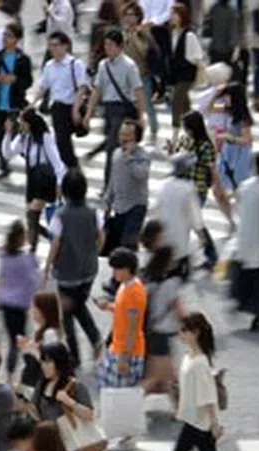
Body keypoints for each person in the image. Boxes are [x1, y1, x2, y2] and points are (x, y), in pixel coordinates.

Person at [136, 312, 245, 451]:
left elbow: (208, 397)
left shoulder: (200, 363)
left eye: (184, 330)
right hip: (194, 420)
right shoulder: (189, 357)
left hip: (198, 424)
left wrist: (215, 424)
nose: (180, 333)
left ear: (195, 333)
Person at [45, 170, 103, 365]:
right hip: (89, 270)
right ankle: (95, 338)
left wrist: (48, 266)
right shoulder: (94, 213)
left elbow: (55, 244)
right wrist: (93, 252)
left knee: (68, 313)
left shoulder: (60, 216)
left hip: (67, 273)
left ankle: (75, 355)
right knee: (78, 305)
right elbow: (101, 237)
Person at [95, 247, 148, 451]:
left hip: (128, 351)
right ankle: (117, 432)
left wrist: (125, 357)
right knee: (110, 388)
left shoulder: (134, 291)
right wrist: (108, 306)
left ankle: (126, 436)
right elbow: (123, 312)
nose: (114, 273)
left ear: (127, 269)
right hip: (118, 347)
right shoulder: (126, 286)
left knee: (121, 394)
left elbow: (134, 327)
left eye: (117, 269)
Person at [82, 29, 146, 190]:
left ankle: (108, 187)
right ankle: (119, 183)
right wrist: (89, 113)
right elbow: (97, 90)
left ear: (119, 46)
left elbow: (138, 91)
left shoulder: (129, 66)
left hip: (123, 110)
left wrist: (141, 115)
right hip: (109, 109)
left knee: (112, 148)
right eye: (106, 44)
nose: (107, 48)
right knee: (115, 145)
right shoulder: (103, 65)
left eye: (110, 45)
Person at [33, 342, 96, 451]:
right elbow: (36, 411)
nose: (44, 366)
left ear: (59, 363)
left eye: (48, 361)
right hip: (50, 441)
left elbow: (89, 414)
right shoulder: (41, 385)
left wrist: (69, 401)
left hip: (68, 439)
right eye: (42, 361)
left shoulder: (75, 386)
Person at [169, 110, 232, 268]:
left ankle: (199, 256)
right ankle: (198, 255)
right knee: (192, 222)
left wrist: (218, 187)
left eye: (186, 126)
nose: (184, 129)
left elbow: (212, 169)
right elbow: (177, 159)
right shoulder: (184, 140)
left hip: (198, 188)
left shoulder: (205, 146)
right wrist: (171, 151)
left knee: (190, 221)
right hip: (183, 187)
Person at [1, 108, 66, 250]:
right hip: (32, 180)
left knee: (32, 214)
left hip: (45, 181)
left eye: (23, 123)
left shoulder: (45, 137)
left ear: (30, 124)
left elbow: (57, 163)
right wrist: (8, 133)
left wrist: (60, 185)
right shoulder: (23, 138)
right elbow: (7, 153)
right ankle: (52, 238)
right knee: (31, 219)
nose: (20, 125)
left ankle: (33, 249)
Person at [231, 151, 259, 333]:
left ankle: (238, 299)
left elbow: (237, 206)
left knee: (244, 272)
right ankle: (257, 317)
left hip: (244, 236)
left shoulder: (245, 186)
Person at [0, 23, 33, 182]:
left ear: (17, 39)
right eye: (4, 35)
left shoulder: (23, 60)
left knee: (18, 140)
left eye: (9, 35)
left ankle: (35, 166)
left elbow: (28, 81)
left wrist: (14, 79)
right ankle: (4, 168)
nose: (5, 38)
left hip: (15, 106)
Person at [36, 31, 89, 167]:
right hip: (57, 107)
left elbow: (82, 87)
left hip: (72, 106)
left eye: (56, 45)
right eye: (50, 45)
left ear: (65, 46)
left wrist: (76, 109)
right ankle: (72, 167)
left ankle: (72, 168)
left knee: (63, 141)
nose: (53, 49)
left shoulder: (75, 64)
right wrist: (33, 103)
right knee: (62, 141)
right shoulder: (49, 66)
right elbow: (43, 87)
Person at [0, 220, 40, 379]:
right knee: (21, 340)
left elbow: (1, 276)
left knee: (13, 340)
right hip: (20, 305)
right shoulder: (25, 259)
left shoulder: (3, 255)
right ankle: (29, 371)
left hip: (5, 303)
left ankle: (10, 373)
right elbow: (34, 279)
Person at [152, 153, 207, 280]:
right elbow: (195, 216)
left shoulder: (165, 186)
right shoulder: (188, 189)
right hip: (180, 239)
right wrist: (201, 235)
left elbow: (156, 210)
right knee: (179, 274)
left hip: (163, 237)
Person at [140, 245, 185, 399]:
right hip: (162, 333)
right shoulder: (172, 284)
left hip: (152, 331)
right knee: (158, 378)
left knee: (166, 378)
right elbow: (179, 309)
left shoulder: (149, 281)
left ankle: (180, 408)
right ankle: (129, 403)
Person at [103, 119, 151, 249]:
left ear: (136, 137)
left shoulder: (142, 156)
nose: (123, 138)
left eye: (127, 135)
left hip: (136, 206)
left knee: (127, 244)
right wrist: (107, 203)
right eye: (121, 134)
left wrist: (129, 158)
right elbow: (113, 181)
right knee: (116, 245)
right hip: (119, 207)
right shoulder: (116, 154)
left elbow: (141, 175)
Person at [168, 3, 203, 140]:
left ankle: (175, 134)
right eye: (171, 14)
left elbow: (197, 56)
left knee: (176, 101)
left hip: (187, 74)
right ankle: (194, 132)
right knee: (185, 106)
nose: (172, 17)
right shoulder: (173, 33)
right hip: (177, 74)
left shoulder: (189, 35)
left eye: (175, 14)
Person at [17, 291, 63, 388]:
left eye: (35, 307)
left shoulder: (50, 333)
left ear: (43, 310)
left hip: (38, 383)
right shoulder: (40, 330)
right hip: (33, 380)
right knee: (18, 391)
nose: (32, 310)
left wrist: (30, 349)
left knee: (20, 393)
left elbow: (49, 360)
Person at [215, 83, 255, 192]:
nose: (225, 99)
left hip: (239, 154)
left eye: (228, 96)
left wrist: (229, 137)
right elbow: (209, 108)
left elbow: (247, 140)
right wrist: (216, 93)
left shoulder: (243, 119)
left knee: (235, 184)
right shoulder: (229, 110)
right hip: (228, 150)